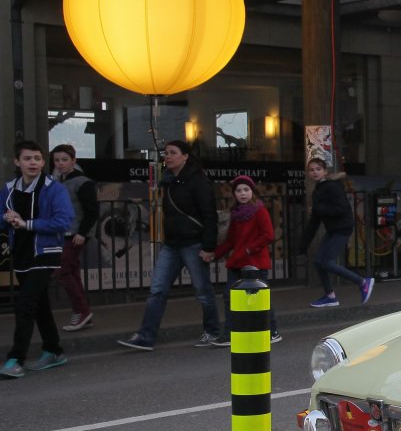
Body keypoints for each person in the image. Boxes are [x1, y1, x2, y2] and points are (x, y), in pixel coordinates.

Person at [118, 139, 223, 351]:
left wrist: (208, 247)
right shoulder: (168, 181)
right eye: (166, 153)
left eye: (173, 152)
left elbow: (209, 215)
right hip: (172, 243)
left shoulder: (198, 181)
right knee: (157, 289)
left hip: (193, 243)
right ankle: (146, 335)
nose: (168, 157)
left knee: (202, 290)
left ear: (185, 156)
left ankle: (212, 331)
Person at [2, 140, 73, 378]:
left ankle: (15, 359)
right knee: (40, 305)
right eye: (27, 158)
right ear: (17, 162)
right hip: (21, 252)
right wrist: (7, 218)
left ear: (43, 162)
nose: (33, 163)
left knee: (25, 304)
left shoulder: (54, 189)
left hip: (45, 252)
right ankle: (53, 350)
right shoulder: (9, 188)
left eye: (37, 158)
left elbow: (64, 221)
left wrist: (27, 224)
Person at [202, 175, 282, 343]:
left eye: (246, 190)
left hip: (255, 264)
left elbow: (268, 235)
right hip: (238, 262)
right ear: (234, 194)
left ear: (253, 192)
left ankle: (272, 331)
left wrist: (249, 249)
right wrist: (214, 254)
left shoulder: (259, 210)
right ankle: (230, 333)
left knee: (259, 298)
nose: (243, 193)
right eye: (238, 191)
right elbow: (231, 241)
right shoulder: (236, 214)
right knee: (229, 297)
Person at [302, 157, 373, 309]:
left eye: (318, 169)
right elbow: (315, 220)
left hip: (342, 228)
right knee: (318, 261)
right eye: (312, 170)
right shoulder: (318, 190)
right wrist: (304, 243)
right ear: (308, 173)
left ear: (325, 171)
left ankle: (362, 282)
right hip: (333, 229)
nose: (315, 172)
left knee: (327, 262)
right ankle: (330, 296)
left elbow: (340, 209)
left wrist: (318, 209)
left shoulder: (332, 187)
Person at [49, 143, 98, 331]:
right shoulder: (58, 181)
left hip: (75, 233)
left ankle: (81, 311)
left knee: (63, 270)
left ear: (73, 160)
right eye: (57, 160)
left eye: (64, 160)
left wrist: (82, 233)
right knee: (71, 271)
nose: (60, 163)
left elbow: (92, 211)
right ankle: (83, 311)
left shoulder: (82, 182)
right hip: (64, 232)